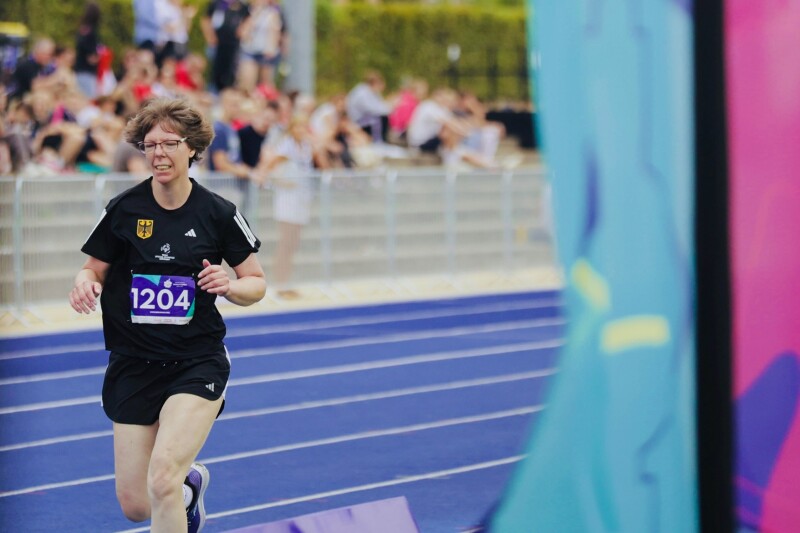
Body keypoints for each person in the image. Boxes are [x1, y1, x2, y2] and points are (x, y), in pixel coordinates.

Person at [68, 97, 266, 532]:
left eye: (168, 143)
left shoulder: (219, 213)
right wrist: (85, 283)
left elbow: (257, 283)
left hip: (196, 362)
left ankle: (177, 482)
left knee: (161, 479)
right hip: (133, 363)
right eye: (149, 144)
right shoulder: (124, 210)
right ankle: (190, 487)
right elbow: (91, 267)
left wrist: (230, 285)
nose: (157, 153)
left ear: (192, 148)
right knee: (137, 505)